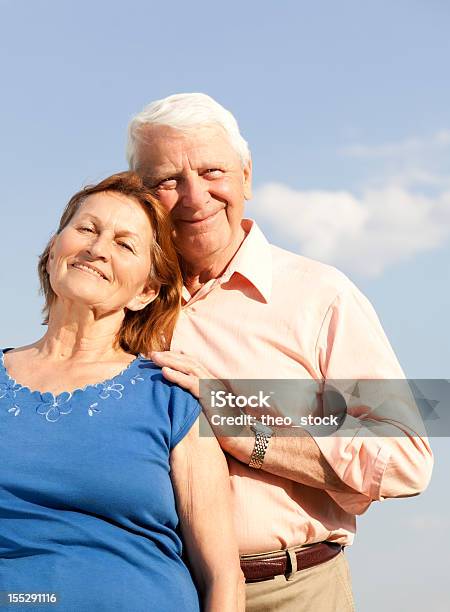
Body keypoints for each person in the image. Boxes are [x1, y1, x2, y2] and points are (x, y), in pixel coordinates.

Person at [126, 93, 434, 612]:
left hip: (295, 589)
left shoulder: (320, 295)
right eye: (167, 181)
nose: (194, 197)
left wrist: (247, 426)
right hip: (158, 591)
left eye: (212, 171)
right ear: (139, 193)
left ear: (246, 176)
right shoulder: (123, 303)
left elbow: (405, 458)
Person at [0, 172, 244, 612]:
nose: (98, 249)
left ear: (146, 291)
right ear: (55, 247)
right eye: (87, 229)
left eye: (124, 244)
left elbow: (224, 576)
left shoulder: (171, 397)